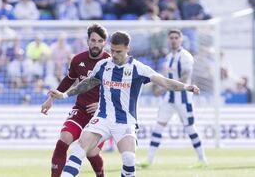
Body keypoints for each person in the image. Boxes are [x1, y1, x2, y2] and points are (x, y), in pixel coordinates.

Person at [49, 31, 200, 177]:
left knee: (129, 159)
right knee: (79, 150)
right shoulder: (103, 65)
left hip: (125, 121)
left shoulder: (138, 68)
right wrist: (65, 94)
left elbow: (165, 82)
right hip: (102, 119)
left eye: (118, 52)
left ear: (128, 49)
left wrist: (187, 87)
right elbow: (87, 83)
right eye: (112, 51)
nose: (114, 55)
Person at [41, 23, 110, 177]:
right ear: (88, 41)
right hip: (80, 110)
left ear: (104, 43)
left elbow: (118, 91)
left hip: (101, 115)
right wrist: (50, 99)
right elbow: (68, 80)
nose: (96, 44)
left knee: (92, 153)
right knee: (64, 139)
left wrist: (101, 105)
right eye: (93, 40)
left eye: (100, 41)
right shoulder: (78, 60)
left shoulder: (110, 62)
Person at [138, 29, 208, 168]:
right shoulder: (169, 56)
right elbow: (165, 76)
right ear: (168, 40)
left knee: (190, 128)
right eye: (172, 38)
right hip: (169, 98)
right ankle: (149, 160)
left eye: (176, 37)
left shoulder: (186, 56)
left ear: (181, 39)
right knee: (158, 126)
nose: (174, 40)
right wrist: (159, 88)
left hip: (183, 98)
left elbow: (186, 77)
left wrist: (165, 87)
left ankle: (202, 159)